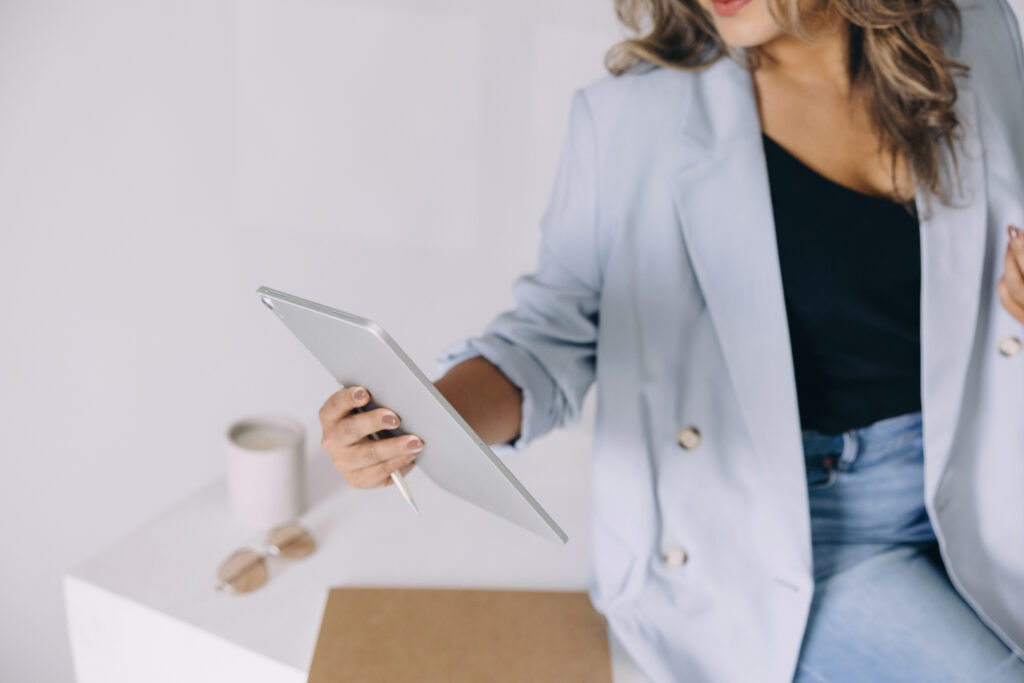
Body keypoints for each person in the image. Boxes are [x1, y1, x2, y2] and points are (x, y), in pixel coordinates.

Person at [318, 0, 1024, 679]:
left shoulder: (972, 33)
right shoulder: (633, 119)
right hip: (789, 539)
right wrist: (425, 420)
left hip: (982, 486)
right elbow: (548, 339)